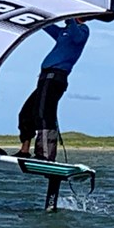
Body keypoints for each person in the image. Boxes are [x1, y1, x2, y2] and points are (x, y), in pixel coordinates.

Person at [14, 17, 90, 161]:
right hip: (44, 78)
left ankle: (45, 154)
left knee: (43, 113)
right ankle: (24, 150)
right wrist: (38, 17)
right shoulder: (64, 32)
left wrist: (71, 19)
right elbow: (48, 26)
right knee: (26, 113)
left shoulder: (83, 30)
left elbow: (78, 38)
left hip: (55, 77)